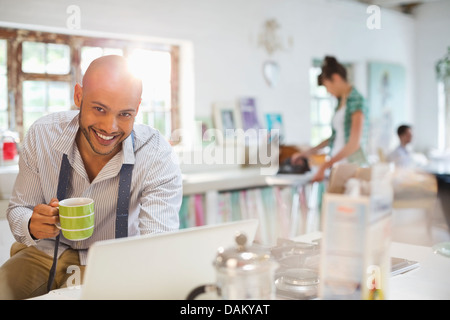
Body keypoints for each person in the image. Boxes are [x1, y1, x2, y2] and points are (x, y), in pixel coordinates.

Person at [0, 55, 183, 300]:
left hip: (112, 260)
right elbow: (18, 210)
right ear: (79, 96)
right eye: (99, 109)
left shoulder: (156, 153)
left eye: (125, 114)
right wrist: (32, 224)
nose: (110, 127)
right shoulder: (41, 135)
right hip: (44, 253)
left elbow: (157, 241)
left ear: (137, 108)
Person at [291, 56, 369, 182]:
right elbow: (335, 138)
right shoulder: (340, 103)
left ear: (336, 78)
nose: (328, 92)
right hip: (338, 166)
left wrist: (325, 165)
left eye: (327, 86)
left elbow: (354, 143)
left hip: (352, 168)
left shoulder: (357, 100)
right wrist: (307, 153)